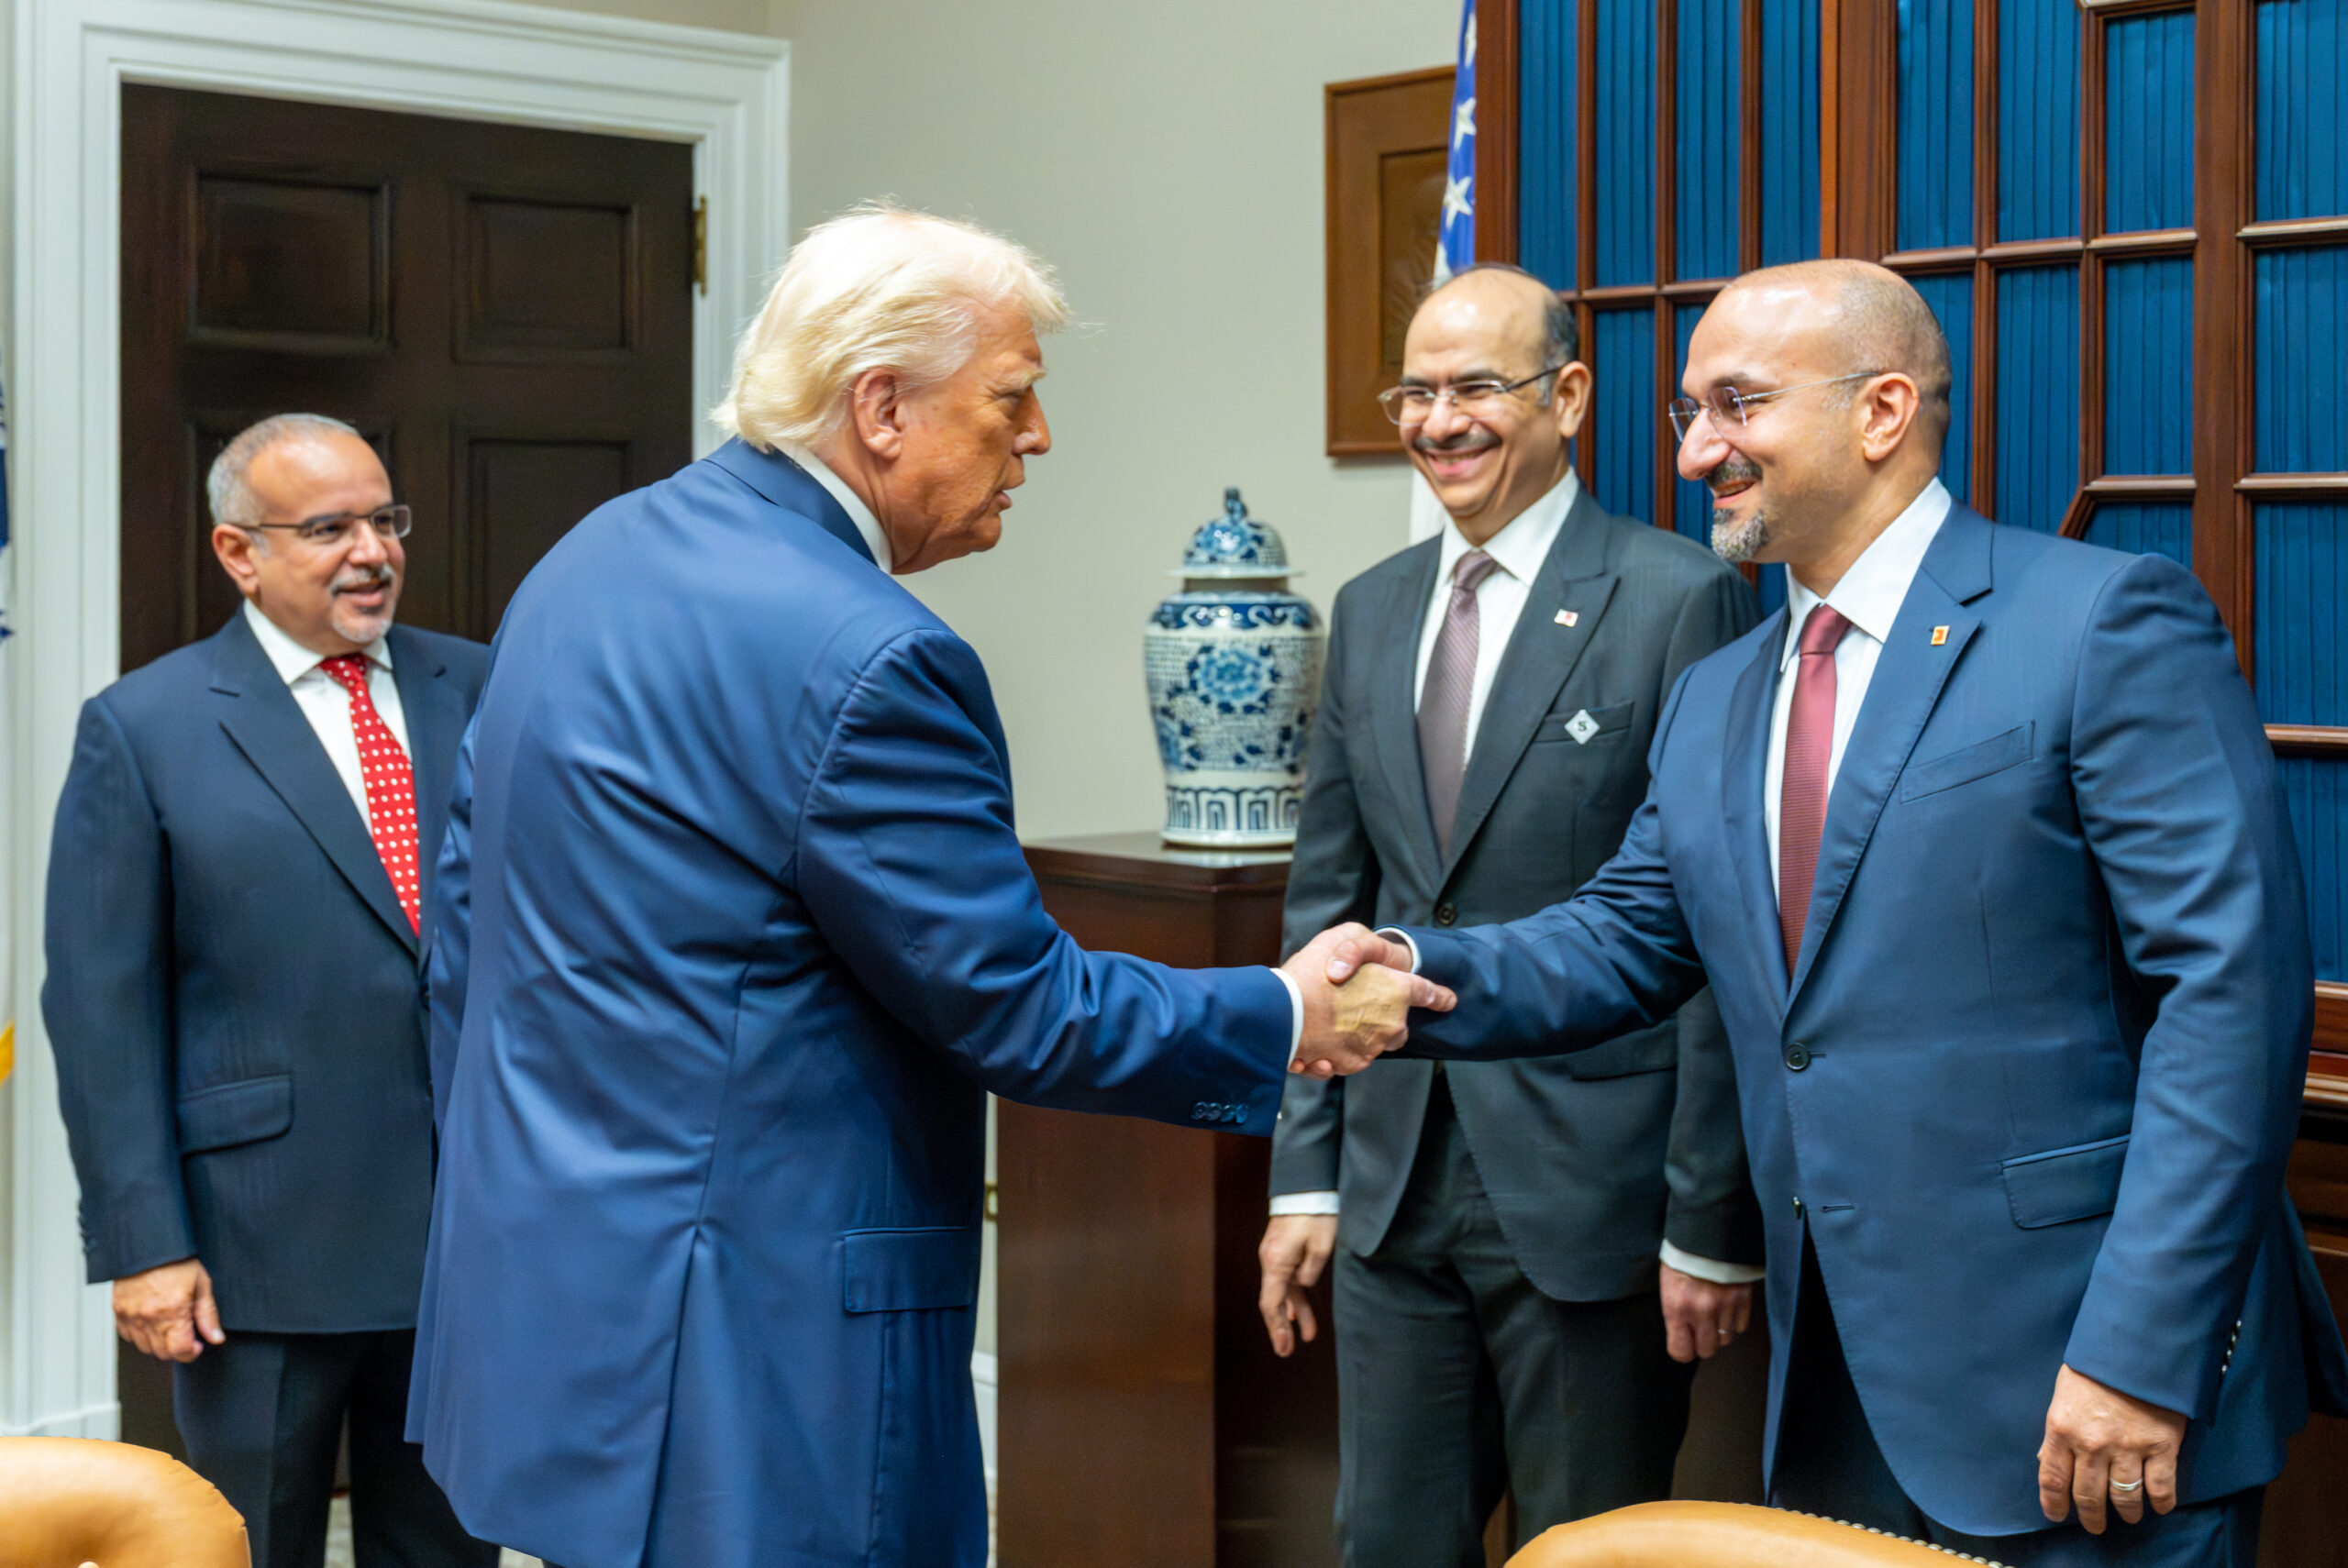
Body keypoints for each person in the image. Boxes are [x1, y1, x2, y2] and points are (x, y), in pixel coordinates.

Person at [403, 205, 1445, 1568]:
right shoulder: (873, 656)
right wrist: (1286, 1012)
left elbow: (465, 934)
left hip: (549, 1305)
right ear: (882, 407)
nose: (1039, 437)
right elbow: (1019, 1008)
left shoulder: (586, 559)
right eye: (1012, 397)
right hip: (759, 1362)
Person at [1301, 259, 2348, 1566]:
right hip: (1839, 1393)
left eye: (1735, 406)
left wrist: (2141, 1352)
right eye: (1689, 411)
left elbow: (2231, 995)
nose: (1695, 452)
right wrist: (1399, 972)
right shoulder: (1723, 691)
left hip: (2085, 1385)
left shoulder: (2097, 621)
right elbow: (1622, 936)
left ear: (1882, 411)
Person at [1257, 264, 1763, 1566]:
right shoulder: (1369, 607)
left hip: (1592, 1191)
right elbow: (1330, 905)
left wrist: (1708, 1217)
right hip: (1389, 1181)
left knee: (1586, 1549)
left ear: (1568, 396)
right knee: (1384, 1543)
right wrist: (1305, 1173)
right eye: (1415, 393)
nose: (1439, 422)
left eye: (1475, 387)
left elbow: (1709, 931)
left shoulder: (1676, 595)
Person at [44, 414, 496, 1568]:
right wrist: (144, 1245)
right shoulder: (145, 727)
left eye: (385, 520)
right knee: (249, 1545)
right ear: (238, 552)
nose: (373, 552)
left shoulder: (480, 685)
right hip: (258, 1249)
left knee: (452, 1548)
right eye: (330, 528)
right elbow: (100, 1010)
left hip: (472, 1240)